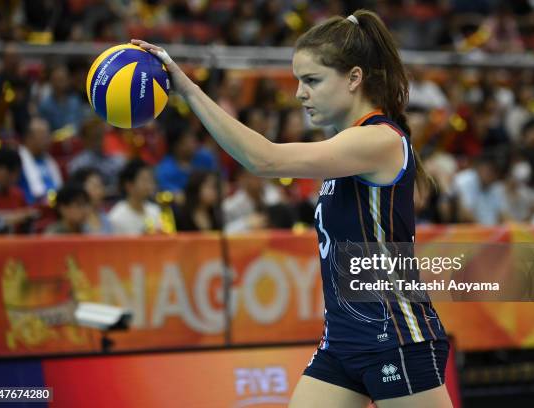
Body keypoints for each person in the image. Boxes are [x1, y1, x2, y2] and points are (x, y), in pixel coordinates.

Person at [132, 9, 451, 407]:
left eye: (312, 80)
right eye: (299, 80)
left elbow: (264, 160)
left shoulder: (378, 141)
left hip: (397, 339)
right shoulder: (344, 147)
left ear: (354, 78)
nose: (300, 93)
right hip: (342, 343)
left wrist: (188, 88)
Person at [0, 148, 38, 234]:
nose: (15, 178)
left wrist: (28, 219)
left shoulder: (18, 194)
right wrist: (6, 221)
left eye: (17, 173)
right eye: (11, 173)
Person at [109, 159, 162, 235]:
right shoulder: (116, 217)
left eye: (151, 180)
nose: (149, 185)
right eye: (145, 180)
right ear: (129, 185)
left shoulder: (155, 211)